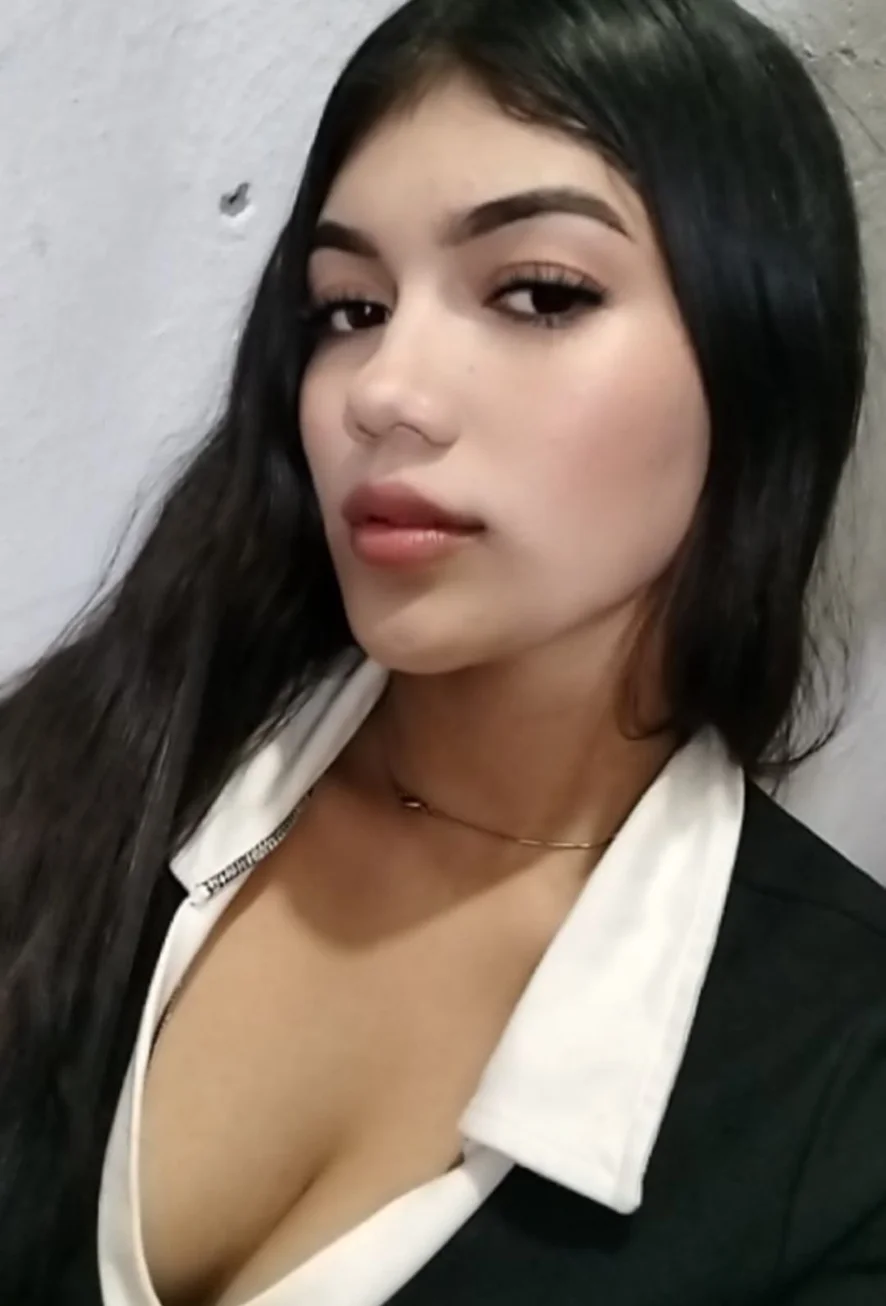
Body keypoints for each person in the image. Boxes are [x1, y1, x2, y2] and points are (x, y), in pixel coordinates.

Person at [1, 0, 884, 1301]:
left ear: (762, 358)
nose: (383, 391)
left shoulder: (841, 1088)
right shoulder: (85, 768)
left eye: (539, 294)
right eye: (348, 307)